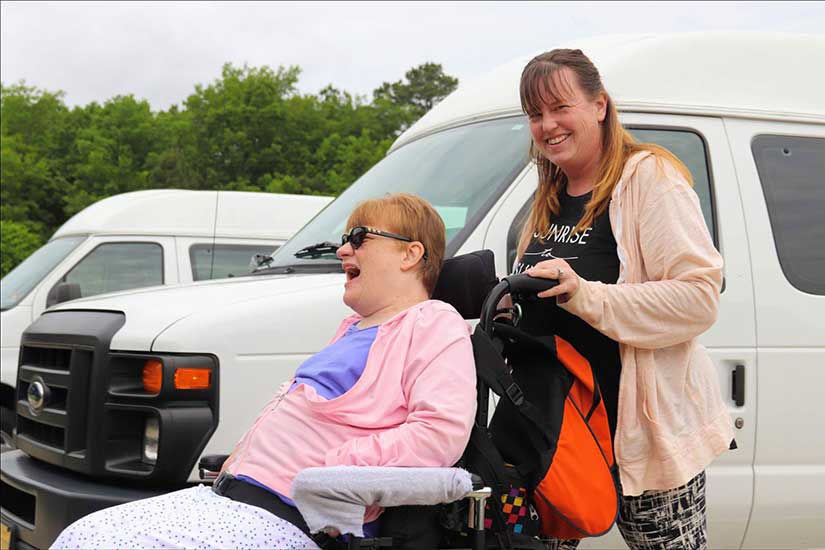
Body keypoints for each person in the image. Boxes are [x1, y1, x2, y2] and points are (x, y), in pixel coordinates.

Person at [52, 193, 477, 550]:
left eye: (359, 238)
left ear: (410, 253)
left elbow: (440, 434)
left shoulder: (433, 321)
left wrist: (331, 471)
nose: (342, 250)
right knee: (79, 535)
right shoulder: (352, 328)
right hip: (231, 498)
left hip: (292, 517)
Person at [509, 49, 733, 549]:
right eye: (535, 115)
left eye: (560, 107)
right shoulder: (547, 196)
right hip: (559, 434)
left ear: (600, 105)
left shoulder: (648, 177)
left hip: (642, 435)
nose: (548, 125)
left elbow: (699, 298)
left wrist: (586, 296)